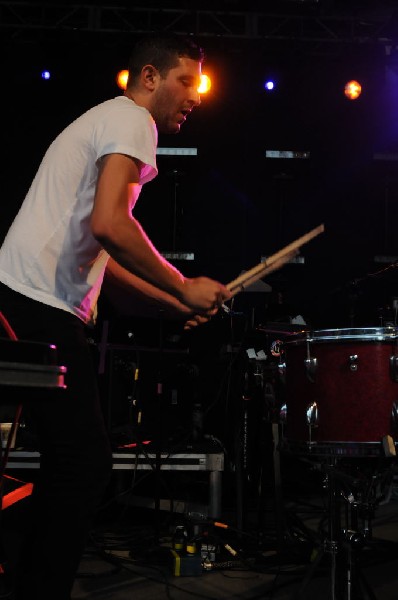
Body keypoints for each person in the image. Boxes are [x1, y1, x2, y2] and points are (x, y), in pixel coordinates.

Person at [0, 33, 231, 600]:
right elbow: (112, 225)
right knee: (83, 463)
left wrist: (174, 302)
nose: (195, 97)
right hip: (37, 304)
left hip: (24, 299)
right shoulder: (133, 119)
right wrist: (183, 284)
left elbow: (105, 252)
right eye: (186, 81)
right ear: (149, 77)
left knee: (68, 460)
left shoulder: (108, 120)